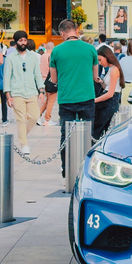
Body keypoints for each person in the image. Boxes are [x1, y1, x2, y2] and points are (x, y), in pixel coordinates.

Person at [49, 19, 99, 178]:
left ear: (62, 33)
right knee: (88, 135)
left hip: (66, 99)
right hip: (87, 97)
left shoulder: (56, 51)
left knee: (65, 135)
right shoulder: (91, 49)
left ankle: (66, 170)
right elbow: (95, 76)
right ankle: (87, 169)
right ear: (76, 31)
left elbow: (54, 80)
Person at [3, 31, 44, 155]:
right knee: (21, 119)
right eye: (20, 41)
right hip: (17, 92)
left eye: (24, 40)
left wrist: (41, 90)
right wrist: (8, 95)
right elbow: (7, 77)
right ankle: (24, 144)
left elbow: (37, 73)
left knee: (35, 116)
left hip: (32, 91)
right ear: (16, 42)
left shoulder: (33, 56)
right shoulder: (10, 58)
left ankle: (22, 136)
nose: (23, 43)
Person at [92, 46, 125, 140]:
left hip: (110, 102)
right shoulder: (111, 69)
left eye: (100, 60)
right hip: (109, 101)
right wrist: (102, 82)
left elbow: (110, 93)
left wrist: (93, 100)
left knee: (99, 128)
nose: (100, 63)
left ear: (106, 56)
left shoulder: (114, 70)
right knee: (101, 128)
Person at [37, 42, 58, 126]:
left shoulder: (42, 56)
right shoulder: (51, 57)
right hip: (50, 80)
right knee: (51, 101)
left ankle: (37, 115)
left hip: (42, 79)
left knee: (47, 100)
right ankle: (47, 119)